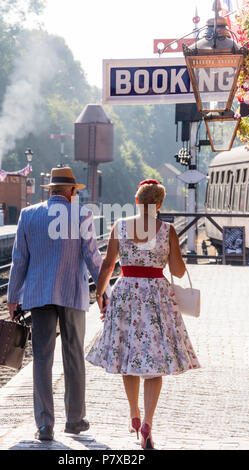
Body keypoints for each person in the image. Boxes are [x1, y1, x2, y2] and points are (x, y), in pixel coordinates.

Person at [86, 179, 200, 450]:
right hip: (156, 297)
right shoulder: (167, 230)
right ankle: (148, 422)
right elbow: (179, 271)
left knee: (128, 358)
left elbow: (108, 265)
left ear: (136, 200)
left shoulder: (120, 226)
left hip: (125, 294)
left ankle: (134, 415)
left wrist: (100, 294)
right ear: (159, 204)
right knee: (154, 361)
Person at [7, 167, 110, 441]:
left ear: (50, 190)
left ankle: (44, 425)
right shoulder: (82, 215)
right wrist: (103, 293)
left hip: (39, 296)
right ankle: (75, 421)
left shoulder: (28, 215)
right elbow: (93, 259)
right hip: (72, 296)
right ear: (72, 192)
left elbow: (19, 260)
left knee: (42, 359)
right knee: (74, 355)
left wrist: (12, 296)